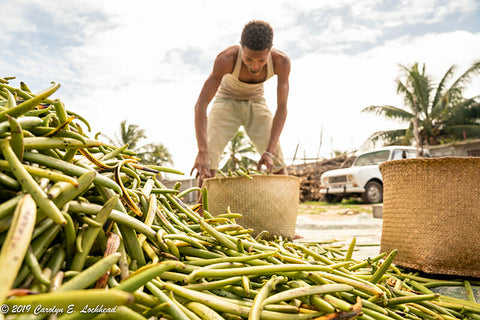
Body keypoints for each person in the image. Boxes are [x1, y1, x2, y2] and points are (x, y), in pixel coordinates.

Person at [191, 20, 291, 186]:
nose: (255, 65)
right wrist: (202, 152)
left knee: (277, 163)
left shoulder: (282, 62)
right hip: (226, 101)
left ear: (269, 51)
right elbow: (200, 104)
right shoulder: (225, 59)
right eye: (249, 59)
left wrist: (270, 151)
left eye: (261, 60)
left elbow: (282, 108)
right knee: (208, 163)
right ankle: (199, 211)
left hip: (256, 101)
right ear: (241, 47)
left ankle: (286, 211)